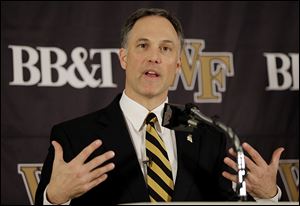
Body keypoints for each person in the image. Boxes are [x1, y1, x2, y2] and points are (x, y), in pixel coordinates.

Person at [35, 8, 285, 205]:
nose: (154, 57)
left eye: (165, 48)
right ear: (124, 57)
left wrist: (267, 196)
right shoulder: (75, 136)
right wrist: (55, 198)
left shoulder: (209, 137)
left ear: (177, 65)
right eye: (143, 45)